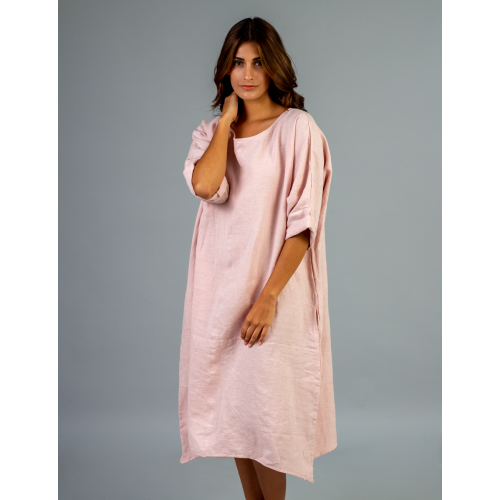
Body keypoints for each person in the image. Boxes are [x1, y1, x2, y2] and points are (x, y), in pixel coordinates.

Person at [179, 17, 337, 500]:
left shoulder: (297, 129)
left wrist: (269, 298)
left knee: (268, 421)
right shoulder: (211, 133)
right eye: (238, 63)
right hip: (220, 292)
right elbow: (207, 186)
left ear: (275, 68)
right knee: (237, 417)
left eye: (258, 62)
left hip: (274, 293)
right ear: (226, 70)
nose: (247, 74)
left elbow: (303, 224)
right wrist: (226, 122)